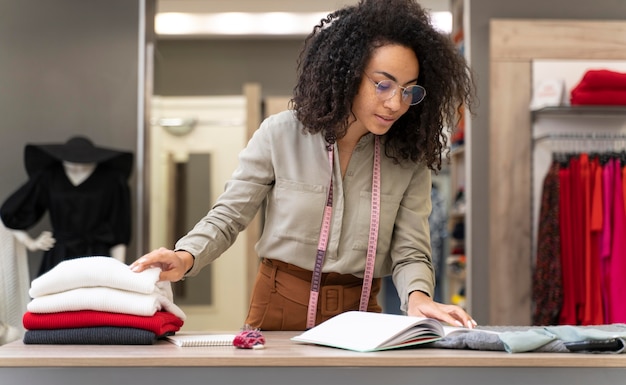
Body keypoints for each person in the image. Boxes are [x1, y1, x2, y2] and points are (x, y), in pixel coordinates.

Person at [131, 0, 477, 331]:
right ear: (349, 73)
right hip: (279, 305)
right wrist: (185, 256)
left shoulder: (407, 158)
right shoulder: (280, 134)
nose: (395, 103)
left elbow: (411, 250)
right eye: (383, 84)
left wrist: (418, 298)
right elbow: (228, 216)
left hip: (362, 312)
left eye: (408, 91)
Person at [0, 136, 133, 277]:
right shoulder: (49, 175)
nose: (77, 167)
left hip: (97, 254)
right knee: (54, 297)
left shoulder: (112, 179)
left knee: (94, 298)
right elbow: (10, 212)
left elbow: (119, 228)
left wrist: (119, 268)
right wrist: (31, 243)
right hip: (59, 254)